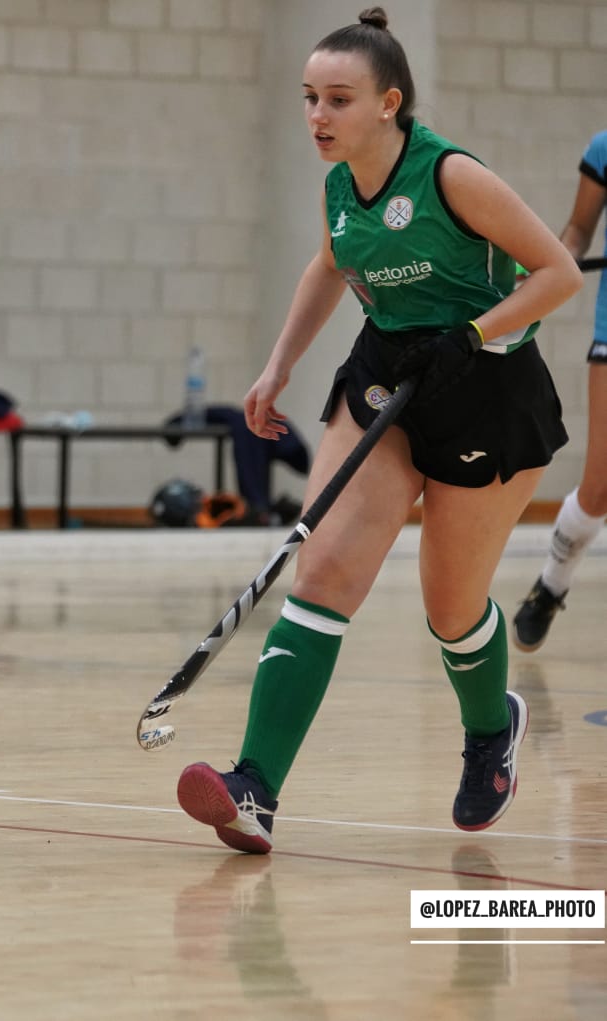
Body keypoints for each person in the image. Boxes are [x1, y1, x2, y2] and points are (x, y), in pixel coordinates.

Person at [174, 7, 581, 854]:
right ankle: (256, 787)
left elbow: (558, 273)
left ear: (389, 102)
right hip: (385, 377)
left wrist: (469, 335)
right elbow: (330, 262)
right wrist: (278, 365)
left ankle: (486, 732)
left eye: (338, 100)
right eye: (309, 99)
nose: (318, 117)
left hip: (487, 387)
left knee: (451, 607)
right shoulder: (336, 186)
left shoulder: (452, 177)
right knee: (320, 571)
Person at [511, 130, 607, 651]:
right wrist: (547, 269)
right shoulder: (604, 149)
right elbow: (577, 232)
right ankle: (552, 584)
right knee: (599, 490)